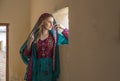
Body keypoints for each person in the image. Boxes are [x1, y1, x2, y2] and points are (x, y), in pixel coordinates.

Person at [20, 13, 68, 81]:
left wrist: (63, 28)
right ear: (42, 22)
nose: (52, 24)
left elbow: (70, 39)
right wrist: (29, 43)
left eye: (52, 22)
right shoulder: (34, 37)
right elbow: (26, 55)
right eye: (49, 22)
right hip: (37, 71)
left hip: (50, 71)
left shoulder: (54, 37)